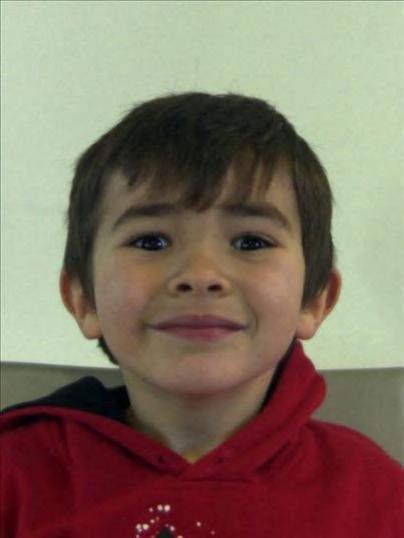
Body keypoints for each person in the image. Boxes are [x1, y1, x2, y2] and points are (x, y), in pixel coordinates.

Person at [1, 92, 402, 537]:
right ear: (83, 300)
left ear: (315, 301)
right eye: (150, 241)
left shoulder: (376, 494)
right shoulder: (14, 474)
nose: (200, 275)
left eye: (251, 242)